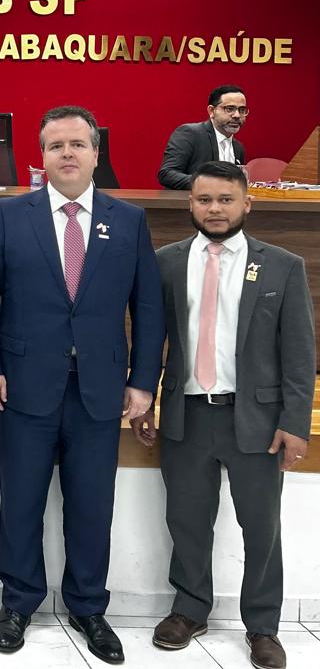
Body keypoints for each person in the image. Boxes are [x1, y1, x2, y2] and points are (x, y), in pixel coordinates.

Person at [0, 105, 164, 665]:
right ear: (42, 157)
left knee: (92, 504)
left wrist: (143, 381)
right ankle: (18, 602)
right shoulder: (11, 214)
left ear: (97, 153)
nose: (68, 154)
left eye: (78, 144)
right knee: (21, 499)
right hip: (24, 384)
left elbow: (148, 307)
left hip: (101, 389)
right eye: (57, 146)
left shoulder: (129, 220)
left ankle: (88, 606)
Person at [131, 161, 314, 669]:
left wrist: (295, 422)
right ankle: (190, 609)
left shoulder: (282, 266)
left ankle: (263, 626)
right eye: (205, 199)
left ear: (246, 204)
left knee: (261, 526)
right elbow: (149, 339)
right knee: (187, 520)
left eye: (226, 200)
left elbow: (300, 353)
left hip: (258, 420)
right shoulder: (165, 263)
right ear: (190, 203)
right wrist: (143, 399)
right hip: (187, 415)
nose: (215, 209)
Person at [157, 85, 248, 190]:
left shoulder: (238, 147)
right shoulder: (190, 133)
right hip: (190, 200)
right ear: (211, 111)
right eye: (229, 109)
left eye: (242, 110)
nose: (237, 115)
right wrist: (209, 184)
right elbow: (167, 174)